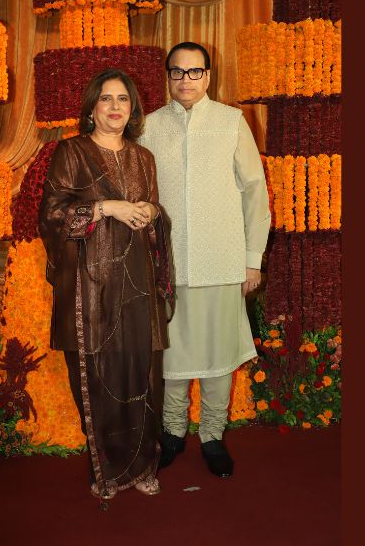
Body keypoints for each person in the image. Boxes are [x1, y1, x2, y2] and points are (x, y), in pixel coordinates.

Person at [39, 68, 174, 502]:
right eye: (106, 98)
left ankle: (145, 466)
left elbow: (154, 212)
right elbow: (52, 216)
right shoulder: (71, 152)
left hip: (137, 283)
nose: (115, 107)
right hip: (90, 284)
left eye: (123, 99)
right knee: (98, 376)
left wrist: (152, 213)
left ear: (133, 109)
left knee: (142, 371)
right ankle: (107, 472)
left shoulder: (143, 158)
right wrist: (106, 207)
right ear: (92, 108)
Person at [137, 42, 271, 478]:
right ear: (168, 77)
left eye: (195, 71)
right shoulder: (150, 126)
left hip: (222, 260)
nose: (185, 79)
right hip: (167, 265)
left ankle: (212, 436)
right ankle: (173, 432)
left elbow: (255, 192)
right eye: (177, 71)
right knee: (171, 356)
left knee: (218, 355)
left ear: (208, 76)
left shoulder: (231, 122)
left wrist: (251, 260)